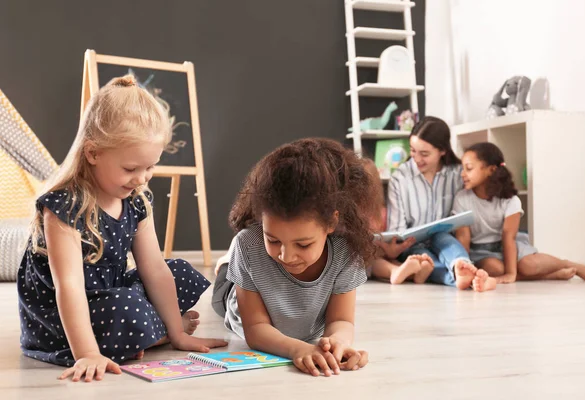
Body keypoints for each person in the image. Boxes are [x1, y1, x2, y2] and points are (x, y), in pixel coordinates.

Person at [17, 75, 226, 383]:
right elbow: (70, 288)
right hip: (63, 320)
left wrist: (178, 335)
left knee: (178, 272)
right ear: (93, 154)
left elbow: (153, 269)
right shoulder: (63, 207)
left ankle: (156, 331)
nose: (142, 178)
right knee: (125, 306)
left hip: (109, 293)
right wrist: (87, 353)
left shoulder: (137, 201)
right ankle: (141, 335)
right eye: (130, 169)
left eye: (151, 167)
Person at [211, 138, 376, 376]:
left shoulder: (345, 252)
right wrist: (299, 349)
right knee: (229, 276)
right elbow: (256, 330)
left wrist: (338, 343)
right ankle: (228, 264)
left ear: (331, 222)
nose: (286, 256)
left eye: (303, 243)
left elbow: (341, 320)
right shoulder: (248, 245)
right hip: (232, 299)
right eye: (274, 239)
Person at [379, 116, 496, 292]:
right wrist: (396, 247)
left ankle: (461, 266)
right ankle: (467, 278)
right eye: (413, 151)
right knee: (425, 261)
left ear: (442, 151)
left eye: (424, 154)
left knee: (443, 239)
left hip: (446, 240)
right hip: (413, 245)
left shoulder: (457, 174)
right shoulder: (400, 178)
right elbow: (397, 228)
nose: (417, 159)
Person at [453, 142, 585, 283]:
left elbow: (509, 238)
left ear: (491, 170)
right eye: (463, 169)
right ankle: (548, 276)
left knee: (529, 266)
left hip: (509, 244)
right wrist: (464, 268)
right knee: (495, 269)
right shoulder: (462, 199)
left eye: (469, 168)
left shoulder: (510, 200)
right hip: (480, 251)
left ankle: (567, 264)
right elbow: (463, 238)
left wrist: (510, 274)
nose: (463, 174)